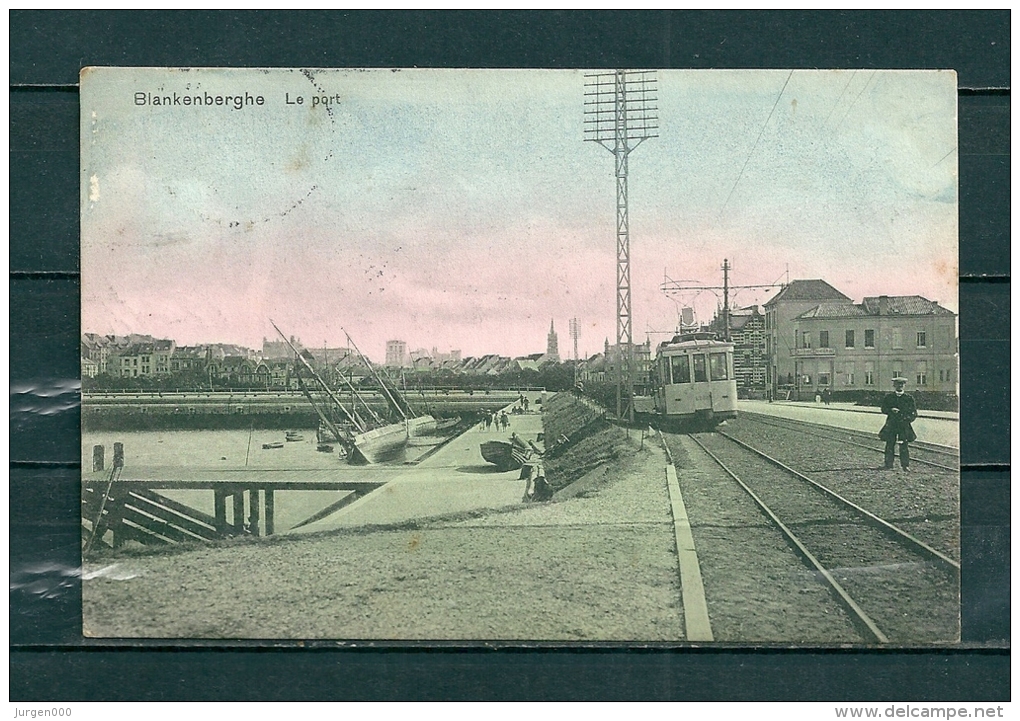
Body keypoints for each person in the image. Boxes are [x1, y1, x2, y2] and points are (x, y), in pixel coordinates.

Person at [879, 376, 917, 470]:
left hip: (903, 425)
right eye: (897, 384)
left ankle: (905, 465)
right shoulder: (889, 397)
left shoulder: (909, 398)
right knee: (890, 444)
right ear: (894, 385)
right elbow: (883, 409)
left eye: (901, 384)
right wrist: (891, 410)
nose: (899, 386)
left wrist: (907, 419)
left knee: (904, 445)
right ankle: (888, 464)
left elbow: (914, 413)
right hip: (891, 424)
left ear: (904, 386)